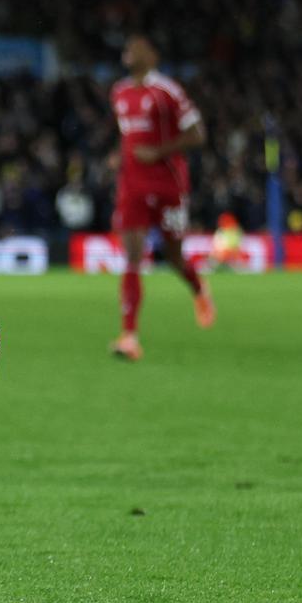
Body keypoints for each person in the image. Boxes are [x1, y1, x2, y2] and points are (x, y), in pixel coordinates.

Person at [109, 33, 215, 361]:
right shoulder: (119, 92)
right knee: (132, 256)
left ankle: (198, 288)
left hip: (168, 185)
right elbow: (128, 137)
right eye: (127, 46)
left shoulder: (167, 91)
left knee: (173, 256)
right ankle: (129, 336)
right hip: (132, 185)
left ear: (153, 55)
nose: (129, 49)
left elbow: (197, 134)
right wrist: (119, 157)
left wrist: (158, 152)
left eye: (137, 45)